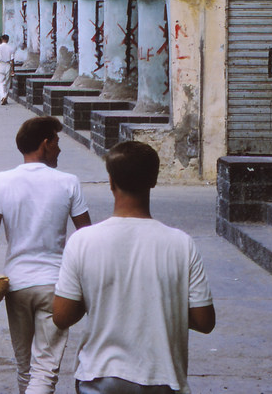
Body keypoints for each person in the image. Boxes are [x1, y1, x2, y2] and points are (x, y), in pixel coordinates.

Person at [53, 141, 215, 394]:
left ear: (111, 182)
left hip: (99, 376)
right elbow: (204, 321)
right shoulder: (181, 244)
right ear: (154, 180)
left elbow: (62, 316)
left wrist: (101, 298)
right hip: (162, 379)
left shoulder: (82, 241)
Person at [0, 116, 91, 394]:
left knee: (25, 367)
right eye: (57, 142)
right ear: (45, 143)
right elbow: (87, 236)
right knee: (45, 370)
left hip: (17, 285)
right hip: (55, 286)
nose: (59, 149)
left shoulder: (0, 181)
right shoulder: (68, 182)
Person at [0, 34, 15, 105]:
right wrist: (13, 70)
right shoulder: (11, 48)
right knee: (7, 83)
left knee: (0, 82)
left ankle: (3, 96)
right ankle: (5, 97)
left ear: (2, 39)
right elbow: (12, 60)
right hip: (8, 65)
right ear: (8, 40)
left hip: (0, 65)